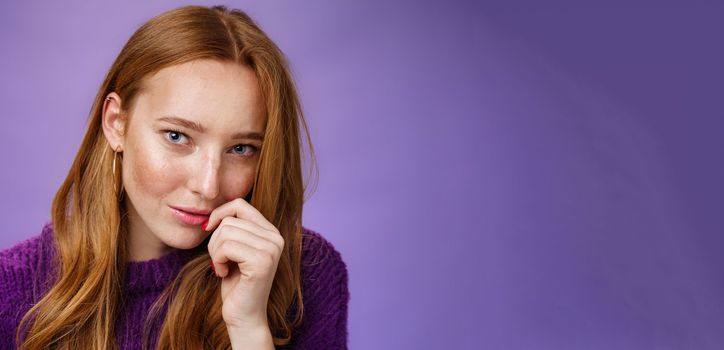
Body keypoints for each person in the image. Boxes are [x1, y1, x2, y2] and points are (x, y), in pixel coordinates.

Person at [0, 5, 349, 349]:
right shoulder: (12, 290)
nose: (208, 185)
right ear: (115, 124)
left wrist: (248, 327)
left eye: (241, 148)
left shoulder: (305, 274)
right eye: (177, 137)